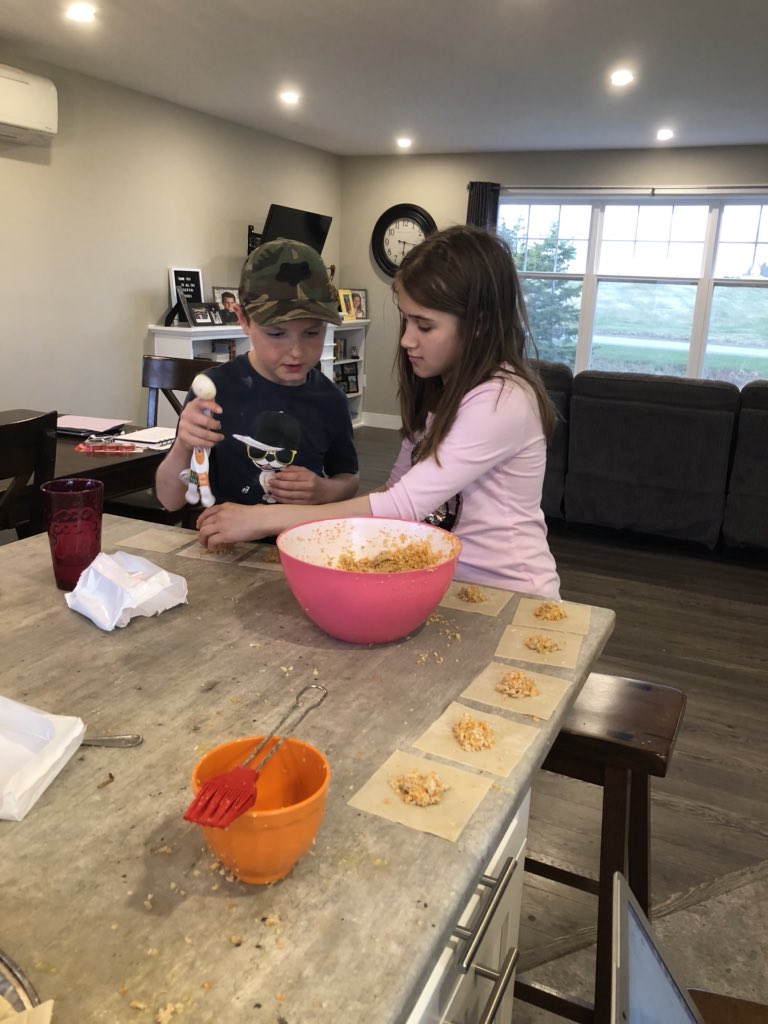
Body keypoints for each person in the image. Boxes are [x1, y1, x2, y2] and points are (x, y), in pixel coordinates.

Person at [196, 225, 560, 598]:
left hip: (512, 595)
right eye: (407, 320)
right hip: (448, 586)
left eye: (425, 325)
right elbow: (395, 489)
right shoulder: (440, 389)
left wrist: (261, 520)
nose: (406, 340)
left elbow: (400, 506)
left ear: (479, 325)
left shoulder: (503, 400)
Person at [155, 238, 359, 517]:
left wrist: (324, 490)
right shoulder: (215, 391)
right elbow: (170, 499)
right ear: (243, 320)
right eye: (276, 334)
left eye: (312, 333)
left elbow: (348, 478)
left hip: (297, 542)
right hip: (220, 547)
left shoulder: (330, 400)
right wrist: (183, 445)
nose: (296, 352)